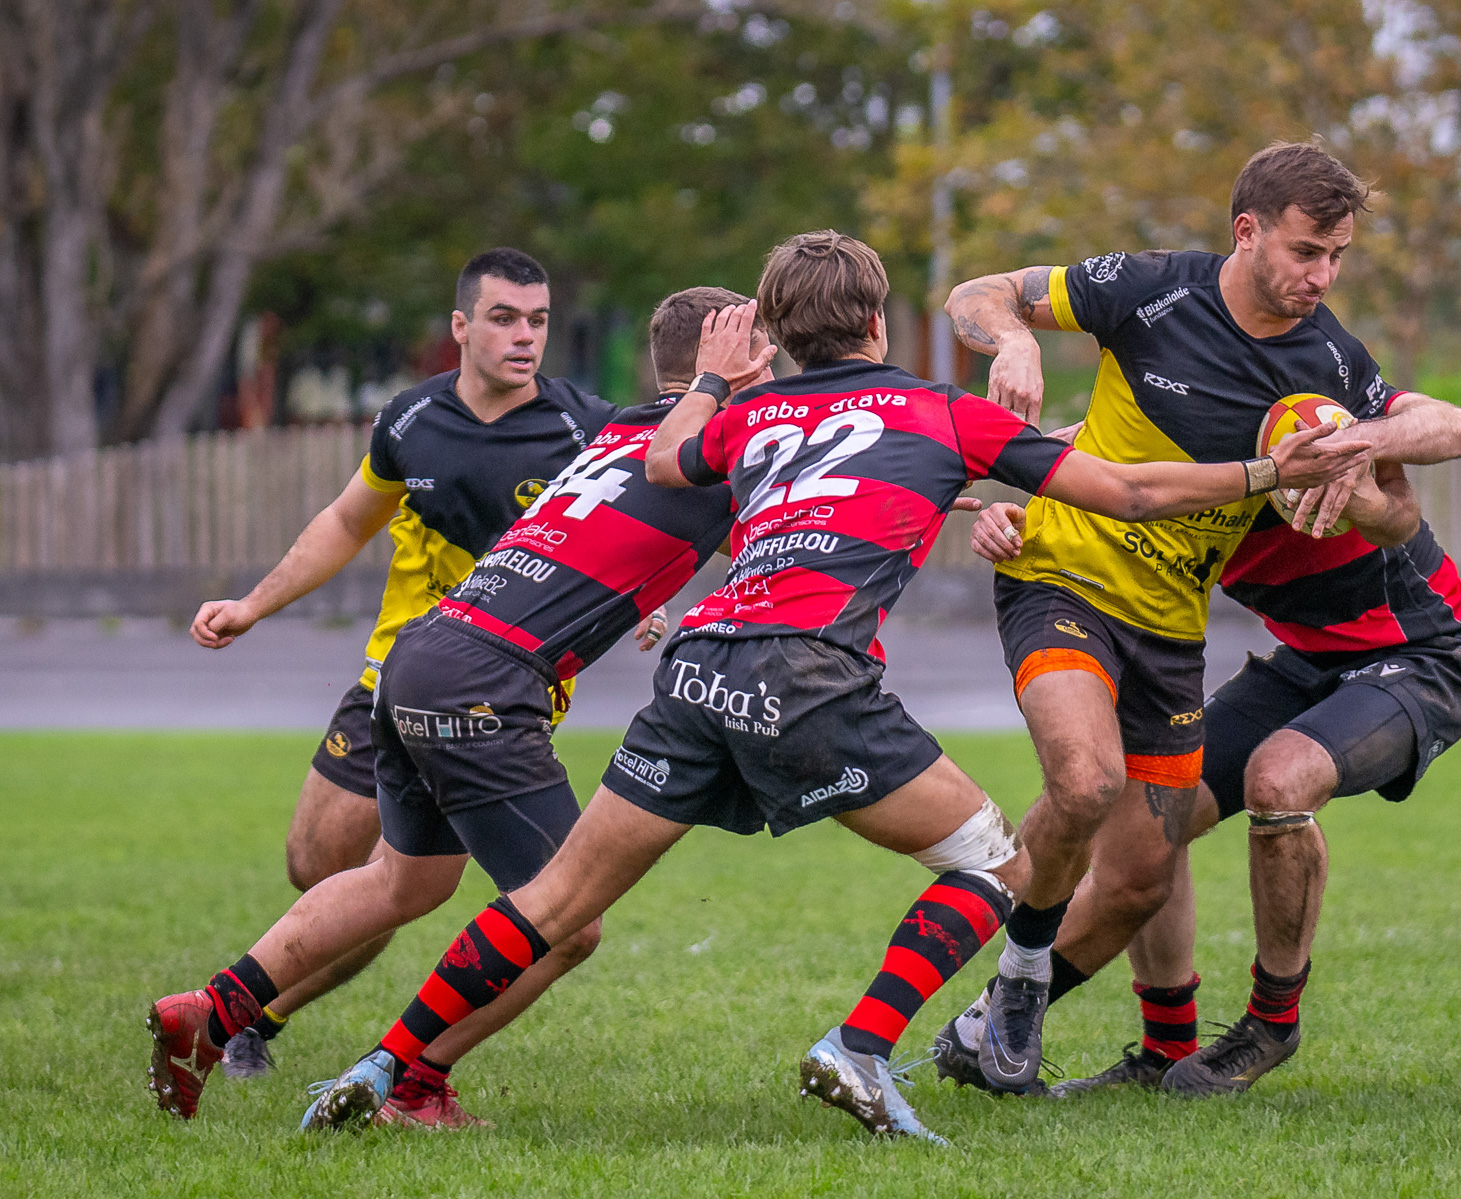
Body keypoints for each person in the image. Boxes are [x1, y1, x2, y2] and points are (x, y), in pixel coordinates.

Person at [293, 230, 1368, 1145]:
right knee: (997, 860)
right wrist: (1273, 472)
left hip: (698, 667)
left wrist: (714, 379)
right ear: (879, 325)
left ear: (773, 331)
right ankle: (858, 1044)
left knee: (557, 896)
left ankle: (387, 1067)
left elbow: (669, 462)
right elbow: (1130, 490)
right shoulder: (941, 411)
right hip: (808, 672)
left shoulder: (748, 419)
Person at [934, 139, 1461, 1094]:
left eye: (1338, 256)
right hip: (1298, 656)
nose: (1323, 275)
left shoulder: (1325, 373)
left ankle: (1271, 1025)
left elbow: (1442, 447)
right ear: (1247, 231)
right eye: (1309, 251)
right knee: (1144, 838)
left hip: (1417, 652)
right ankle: (1144, 1046)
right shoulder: (1152, 298)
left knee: (1278, 778)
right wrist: (1017, 406)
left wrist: (1357, 446)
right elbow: (1066, 425)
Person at [146, 286, 753, 1124]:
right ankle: (412, 1081)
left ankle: (213, 1010)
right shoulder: (721, 442)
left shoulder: (614, 430)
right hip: (487, 683)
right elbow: (787, 515)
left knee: (407, 878)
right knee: (569, 922)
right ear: (741, 359)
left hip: (418, 654)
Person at [182, 249, 623, 1084]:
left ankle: (309, 1037)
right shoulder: (409, 418)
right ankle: (266, 1016)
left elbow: (647, 516)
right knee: (319, 868)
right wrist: (253, 604)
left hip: (499, 704)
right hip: (390, 679)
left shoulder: (583, 429)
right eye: (503, 318)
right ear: (461, 326)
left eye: (537, 320)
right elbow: (347, 522)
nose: (524, 336)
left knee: (462, 895)